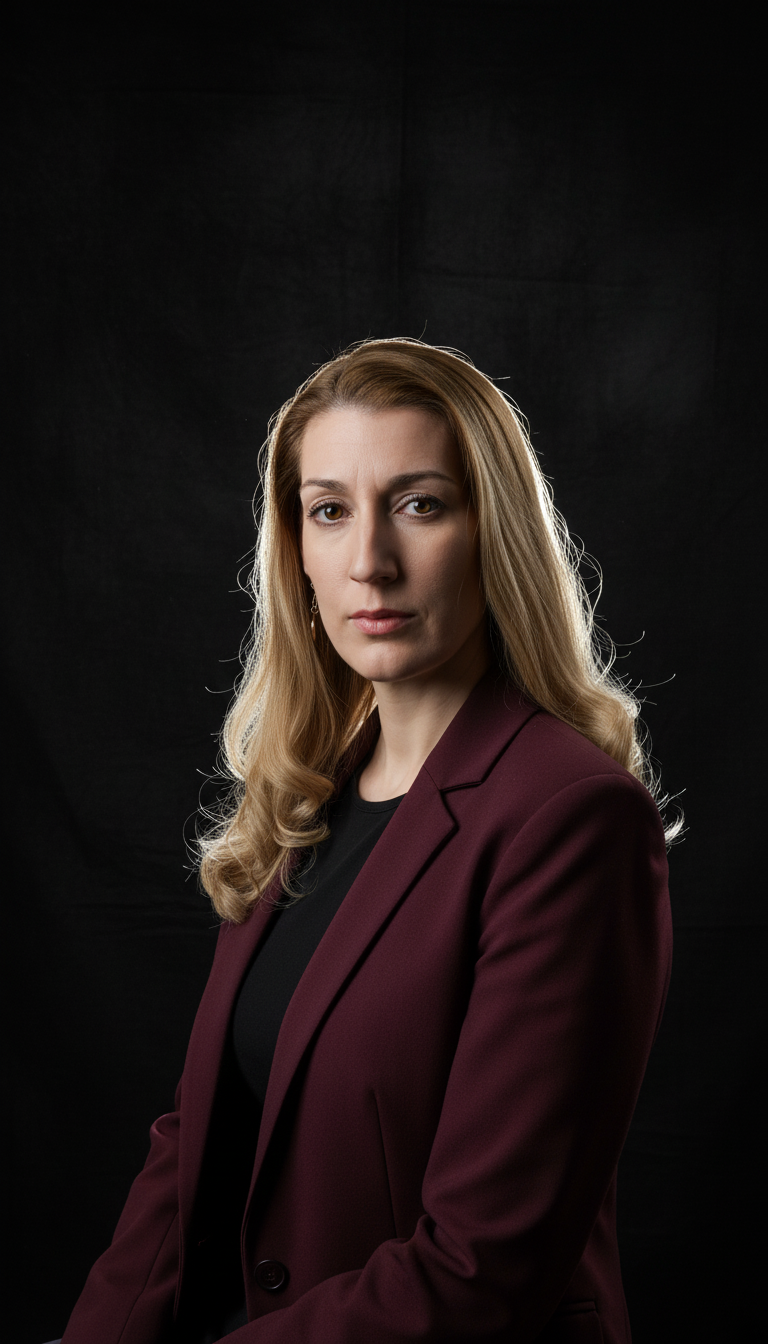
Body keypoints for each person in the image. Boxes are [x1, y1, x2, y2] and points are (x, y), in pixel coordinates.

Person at [59, 338, 675, 1344]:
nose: (369, 563)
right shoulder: (309, 792)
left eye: (420, 505)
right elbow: (194, 1145)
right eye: (330, 510)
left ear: (493, 532)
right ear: (295, 549)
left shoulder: (570, 818)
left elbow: (480, 1272)